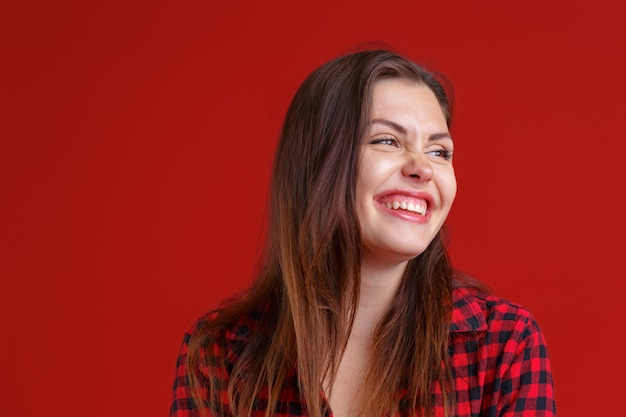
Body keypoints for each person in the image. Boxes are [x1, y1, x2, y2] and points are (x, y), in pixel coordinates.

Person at [169, 48, 556, 417]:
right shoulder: (220, 355)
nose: (423, 168)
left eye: (440, 152)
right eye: (387, 140)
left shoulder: (504, 344)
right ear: (318, 162)